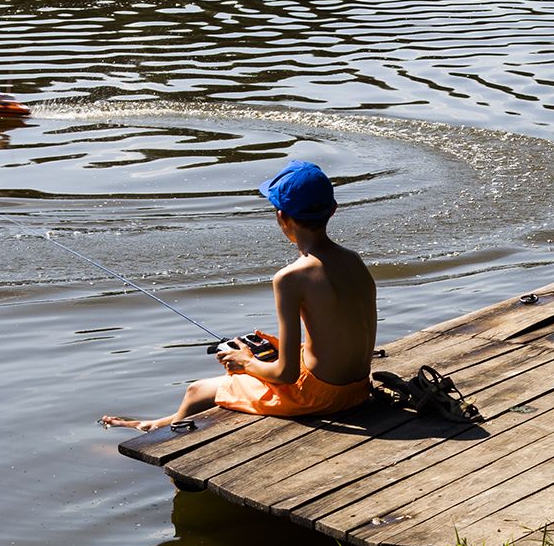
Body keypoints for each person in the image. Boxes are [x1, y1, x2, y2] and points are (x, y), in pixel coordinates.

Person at [100, 161, 377, 432]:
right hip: (358, 388)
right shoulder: (353, 261)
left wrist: (246, 362)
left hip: (322, 399)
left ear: (281, 217)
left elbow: (286, 375)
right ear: (333, 210)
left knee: (197, 390)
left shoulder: (290, 278)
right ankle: (165, 420)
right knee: (261, 355)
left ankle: (156, 431)